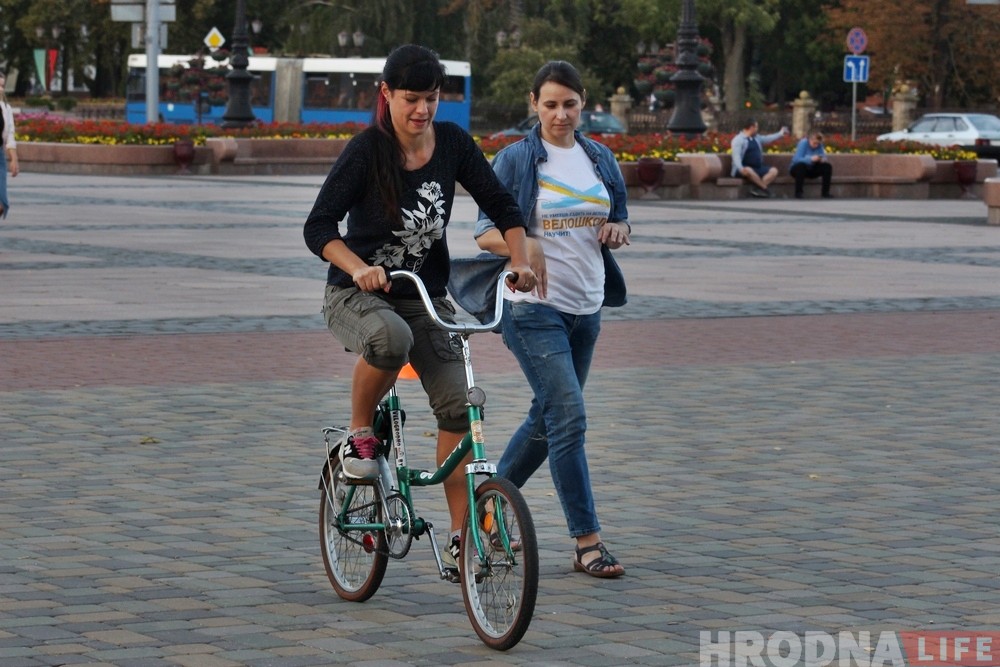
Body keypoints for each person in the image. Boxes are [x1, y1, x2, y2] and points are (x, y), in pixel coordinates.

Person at [302, 44, 536, 574]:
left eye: (431, 99)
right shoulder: (366, 151)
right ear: (386, 96)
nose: (422, 111)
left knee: (460, 407)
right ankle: (361, 431)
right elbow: (319, 227)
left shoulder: (452, 143)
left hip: (425, 298)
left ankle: (461, 534)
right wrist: (357, 265)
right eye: (411, 99)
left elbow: (501, 206)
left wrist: (519, 261)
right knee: (392, 340)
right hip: (356, 295)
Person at [474, 60, 630, 578]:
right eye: (550, 104)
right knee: (570, 418)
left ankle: (488, 508)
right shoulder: (517, 160)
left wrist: (617, 229)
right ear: (533, 104)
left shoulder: (600, 158)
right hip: (531, 310)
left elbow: (617, 215)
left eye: (569, 104)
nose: (560, 115)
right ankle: (587, 540)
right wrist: (527, 245)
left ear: (583, 102)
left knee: (549, 418)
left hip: (586, 309)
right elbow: (484, 233)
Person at [731, 118, 788, 198]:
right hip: (742, 168)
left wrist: (780, 134)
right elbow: (736, 157)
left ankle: (757, 189)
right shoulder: (738, 140)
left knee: (774, 171)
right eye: (756, 127)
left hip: (757, 167)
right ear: (751, 128)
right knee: (748, 170)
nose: (757, 129)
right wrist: (741, 169)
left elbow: (767, 138)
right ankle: (766, 190)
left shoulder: (756, 138)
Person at [790, 131, 833, 199]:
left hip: (812, 168)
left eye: (818, 143)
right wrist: (810, 159)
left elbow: (823, 156)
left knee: (827, 167)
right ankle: (798, 193)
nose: (816, 145)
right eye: (814, 143)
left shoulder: (819, 145)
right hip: (798, 169)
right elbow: (796, 159)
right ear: (809, 140)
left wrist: (822, 159)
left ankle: (825, 193)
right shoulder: (803, 143)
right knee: (801, 166)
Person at [0, 71, 19, 218]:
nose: (1, 89)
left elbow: (10, 134)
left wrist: (14, 159)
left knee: (1, 203)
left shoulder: (6, 108)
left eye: (2, 86)